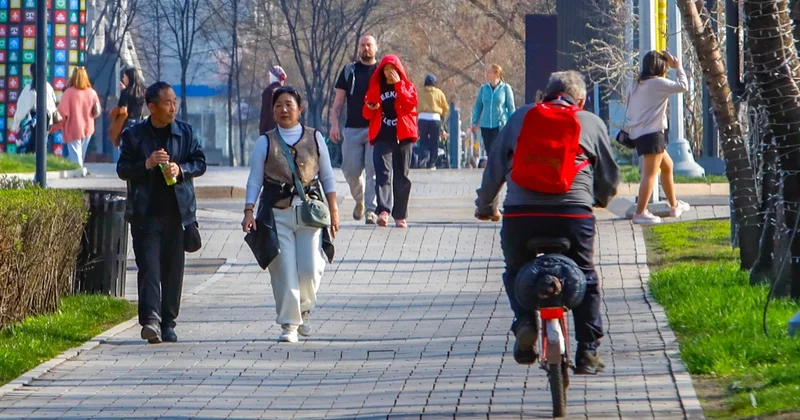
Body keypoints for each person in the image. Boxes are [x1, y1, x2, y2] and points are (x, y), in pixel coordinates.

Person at [475, 71, 620, 374]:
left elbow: (496, 166)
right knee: (586, 276)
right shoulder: (590, 122)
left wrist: (486, 206)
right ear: (580, 100)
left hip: (521, 215)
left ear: (543, 95)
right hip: (573, 215)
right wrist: (598, 201)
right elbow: (608, 176)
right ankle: (588, 352)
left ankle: (525, 322)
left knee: (515, 270)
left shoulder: (521, 117)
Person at [242, 86, 339, 343]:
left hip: (310, 213)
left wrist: (335, 211)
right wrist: (249, 211)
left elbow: (327, 177)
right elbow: (254, 180)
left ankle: (304, 308)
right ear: (272, 111)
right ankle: (289, 324)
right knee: (283, 270)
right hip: (277, 214)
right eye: (278, 106)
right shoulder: (265, 142)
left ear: (299, 109)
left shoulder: (315, 138)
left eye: (289, 105)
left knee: (310, 268)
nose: (283, 110)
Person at [117, 81, 207, 344]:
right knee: (149, 269)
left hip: (178, 214)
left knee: (173, 271)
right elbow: (123, 169)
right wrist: (146, 164)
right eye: (167, 103)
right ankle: (151, 320)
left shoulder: (185, 133)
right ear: (152, 106)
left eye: (174, 102)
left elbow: (200, 162)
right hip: (145, 213)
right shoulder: (134, 136)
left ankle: (168, 322)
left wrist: (180, 169)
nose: (173, 107)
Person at [626, 50, 691, 224]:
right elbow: (683, 86)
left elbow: (629, 110)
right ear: (660, 67)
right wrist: (677, 67)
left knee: (668, 166)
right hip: (653, 134)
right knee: (650, 174)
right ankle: (640, 213)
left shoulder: (635, 85)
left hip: (639, 134)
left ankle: (674, 205)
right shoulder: (658, 83)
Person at [363, 54, 418, 228]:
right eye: (386, 69)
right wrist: (371, 107)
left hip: (403, 135)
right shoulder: (376, 87)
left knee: (401, 175)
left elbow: (410, 104)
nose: (389, 73)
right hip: (382, 135)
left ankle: (400, 215)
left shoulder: (407, 86)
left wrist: (399, 85)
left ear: (399, 71)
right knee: (383, 173)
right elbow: (366, 113)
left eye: (392, 69)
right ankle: (383, 210)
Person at [331, 34, 381, 224]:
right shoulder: (349, 71)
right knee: (350, 171)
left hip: (375, 130)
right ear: (358, 48)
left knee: (372, 170)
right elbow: (338, 102)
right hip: (352, 129)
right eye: (362, 45)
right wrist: (335, 124)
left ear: (376, 47)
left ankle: (371, 210)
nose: (365, 48)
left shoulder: (381, 71)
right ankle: (359, 200)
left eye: (369, 45)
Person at [52, 67, 101, 167]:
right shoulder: (92, 92)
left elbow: (62, 114)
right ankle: (75, 169)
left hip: (73, 128)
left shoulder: (68, 93)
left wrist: (53, 128)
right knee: (79, 154)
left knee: (75, 155)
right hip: (88, 128)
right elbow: (97, 111)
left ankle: (77, 173)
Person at [11, 63, 58, 154]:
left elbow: (21, 108)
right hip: (47, 122)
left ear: (31, 73)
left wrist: (15, 125)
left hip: (34, 123)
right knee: (41, 148)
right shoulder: (48, 87)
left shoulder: (30, 88)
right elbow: (53, 104)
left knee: (31, 148)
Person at [471, 64, 516, 156]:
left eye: (489, 72)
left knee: (496, 149)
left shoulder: (505, 88)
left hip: (500, 125)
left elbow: (511, 108)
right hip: (485, 125)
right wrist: (474, 122)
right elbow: (478, 107)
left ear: (496, 74)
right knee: (489, 149)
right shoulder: (483, 89)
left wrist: (513, 124)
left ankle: (497, 168)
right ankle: (494, 168)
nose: (486, 74)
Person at [417, 73, 449, 170]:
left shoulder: (419, 92)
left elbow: (414, 103)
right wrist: (442, 115)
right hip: (435, 118)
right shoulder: (439, 93)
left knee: (423, 140)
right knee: (434, 141)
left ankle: (424, 156)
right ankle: (432, 163)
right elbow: (445, 107)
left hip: (422, 118)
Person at [110, 68, 146, 152]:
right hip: (139, 122)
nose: (123, 79)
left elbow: (124, 110)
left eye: (124, 77)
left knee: (125, 147)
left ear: (129, 78)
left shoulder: (126, 92)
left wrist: (115, 112)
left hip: (127, 122)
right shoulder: (142, 91)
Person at [259, 66, 287, 134]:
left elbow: (265, 113)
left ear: (273, 76)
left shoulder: (269, 91)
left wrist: (262, 131)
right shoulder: (286, 91)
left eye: (268, 75)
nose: (267, 78)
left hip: (271, 130)